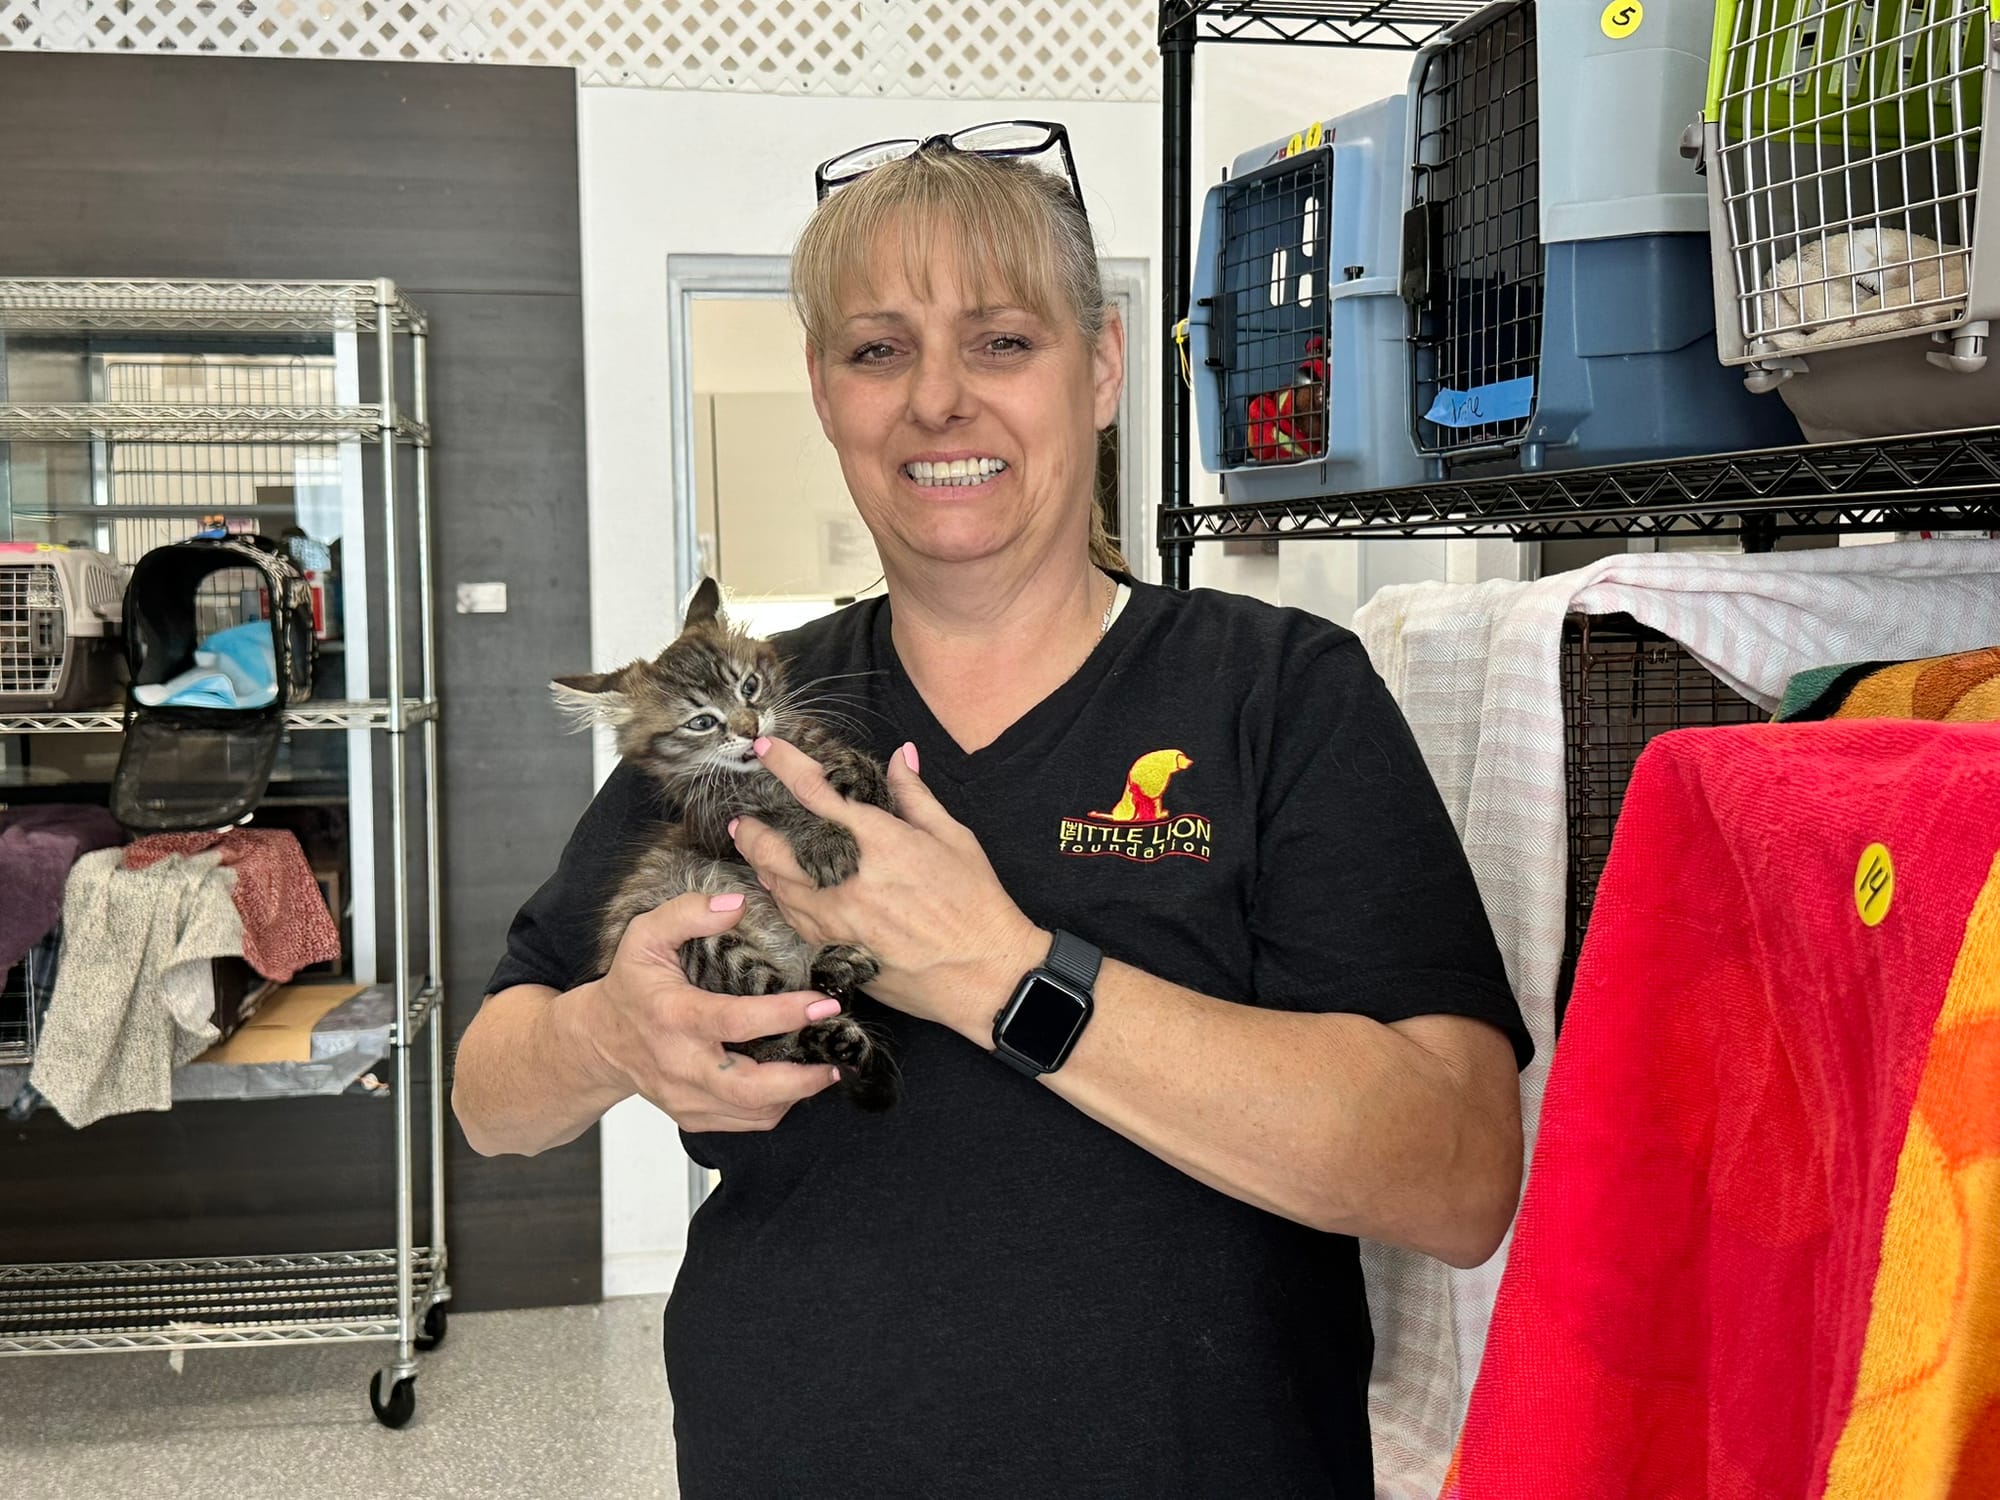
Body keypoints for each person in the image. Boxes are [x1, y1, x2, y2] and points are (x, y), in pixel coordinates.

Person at [453, 121, 1531, 1500]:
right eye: (878, 350)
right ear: (826, 391)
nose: (938, 401)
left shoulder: (1276, 694)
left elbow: (1454, 1173)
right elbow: (493, 1094)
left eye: (1004, 341)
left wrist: (1004, 974)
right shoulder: (747, 716)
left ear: (1102, 367)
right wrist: (611, 1030)